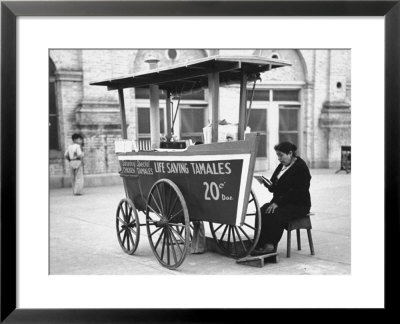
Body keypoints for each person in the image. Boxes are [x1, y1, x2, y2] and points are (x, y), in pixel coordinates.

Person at [253, 141, 311, 255]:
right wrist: (266, 183)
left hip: (298, 204)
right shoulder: (282, 166)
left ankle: (270, 246)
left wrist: (278, 202)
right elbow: (273, 186)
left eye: (281, 155)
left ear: (290, 153)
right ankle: (259, 243)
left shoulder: (301, 167)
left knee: (275, 214)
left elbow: (298, 191)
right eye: (277, 155)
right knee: (262, 211)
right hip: (282, 202)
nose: (279, 159)